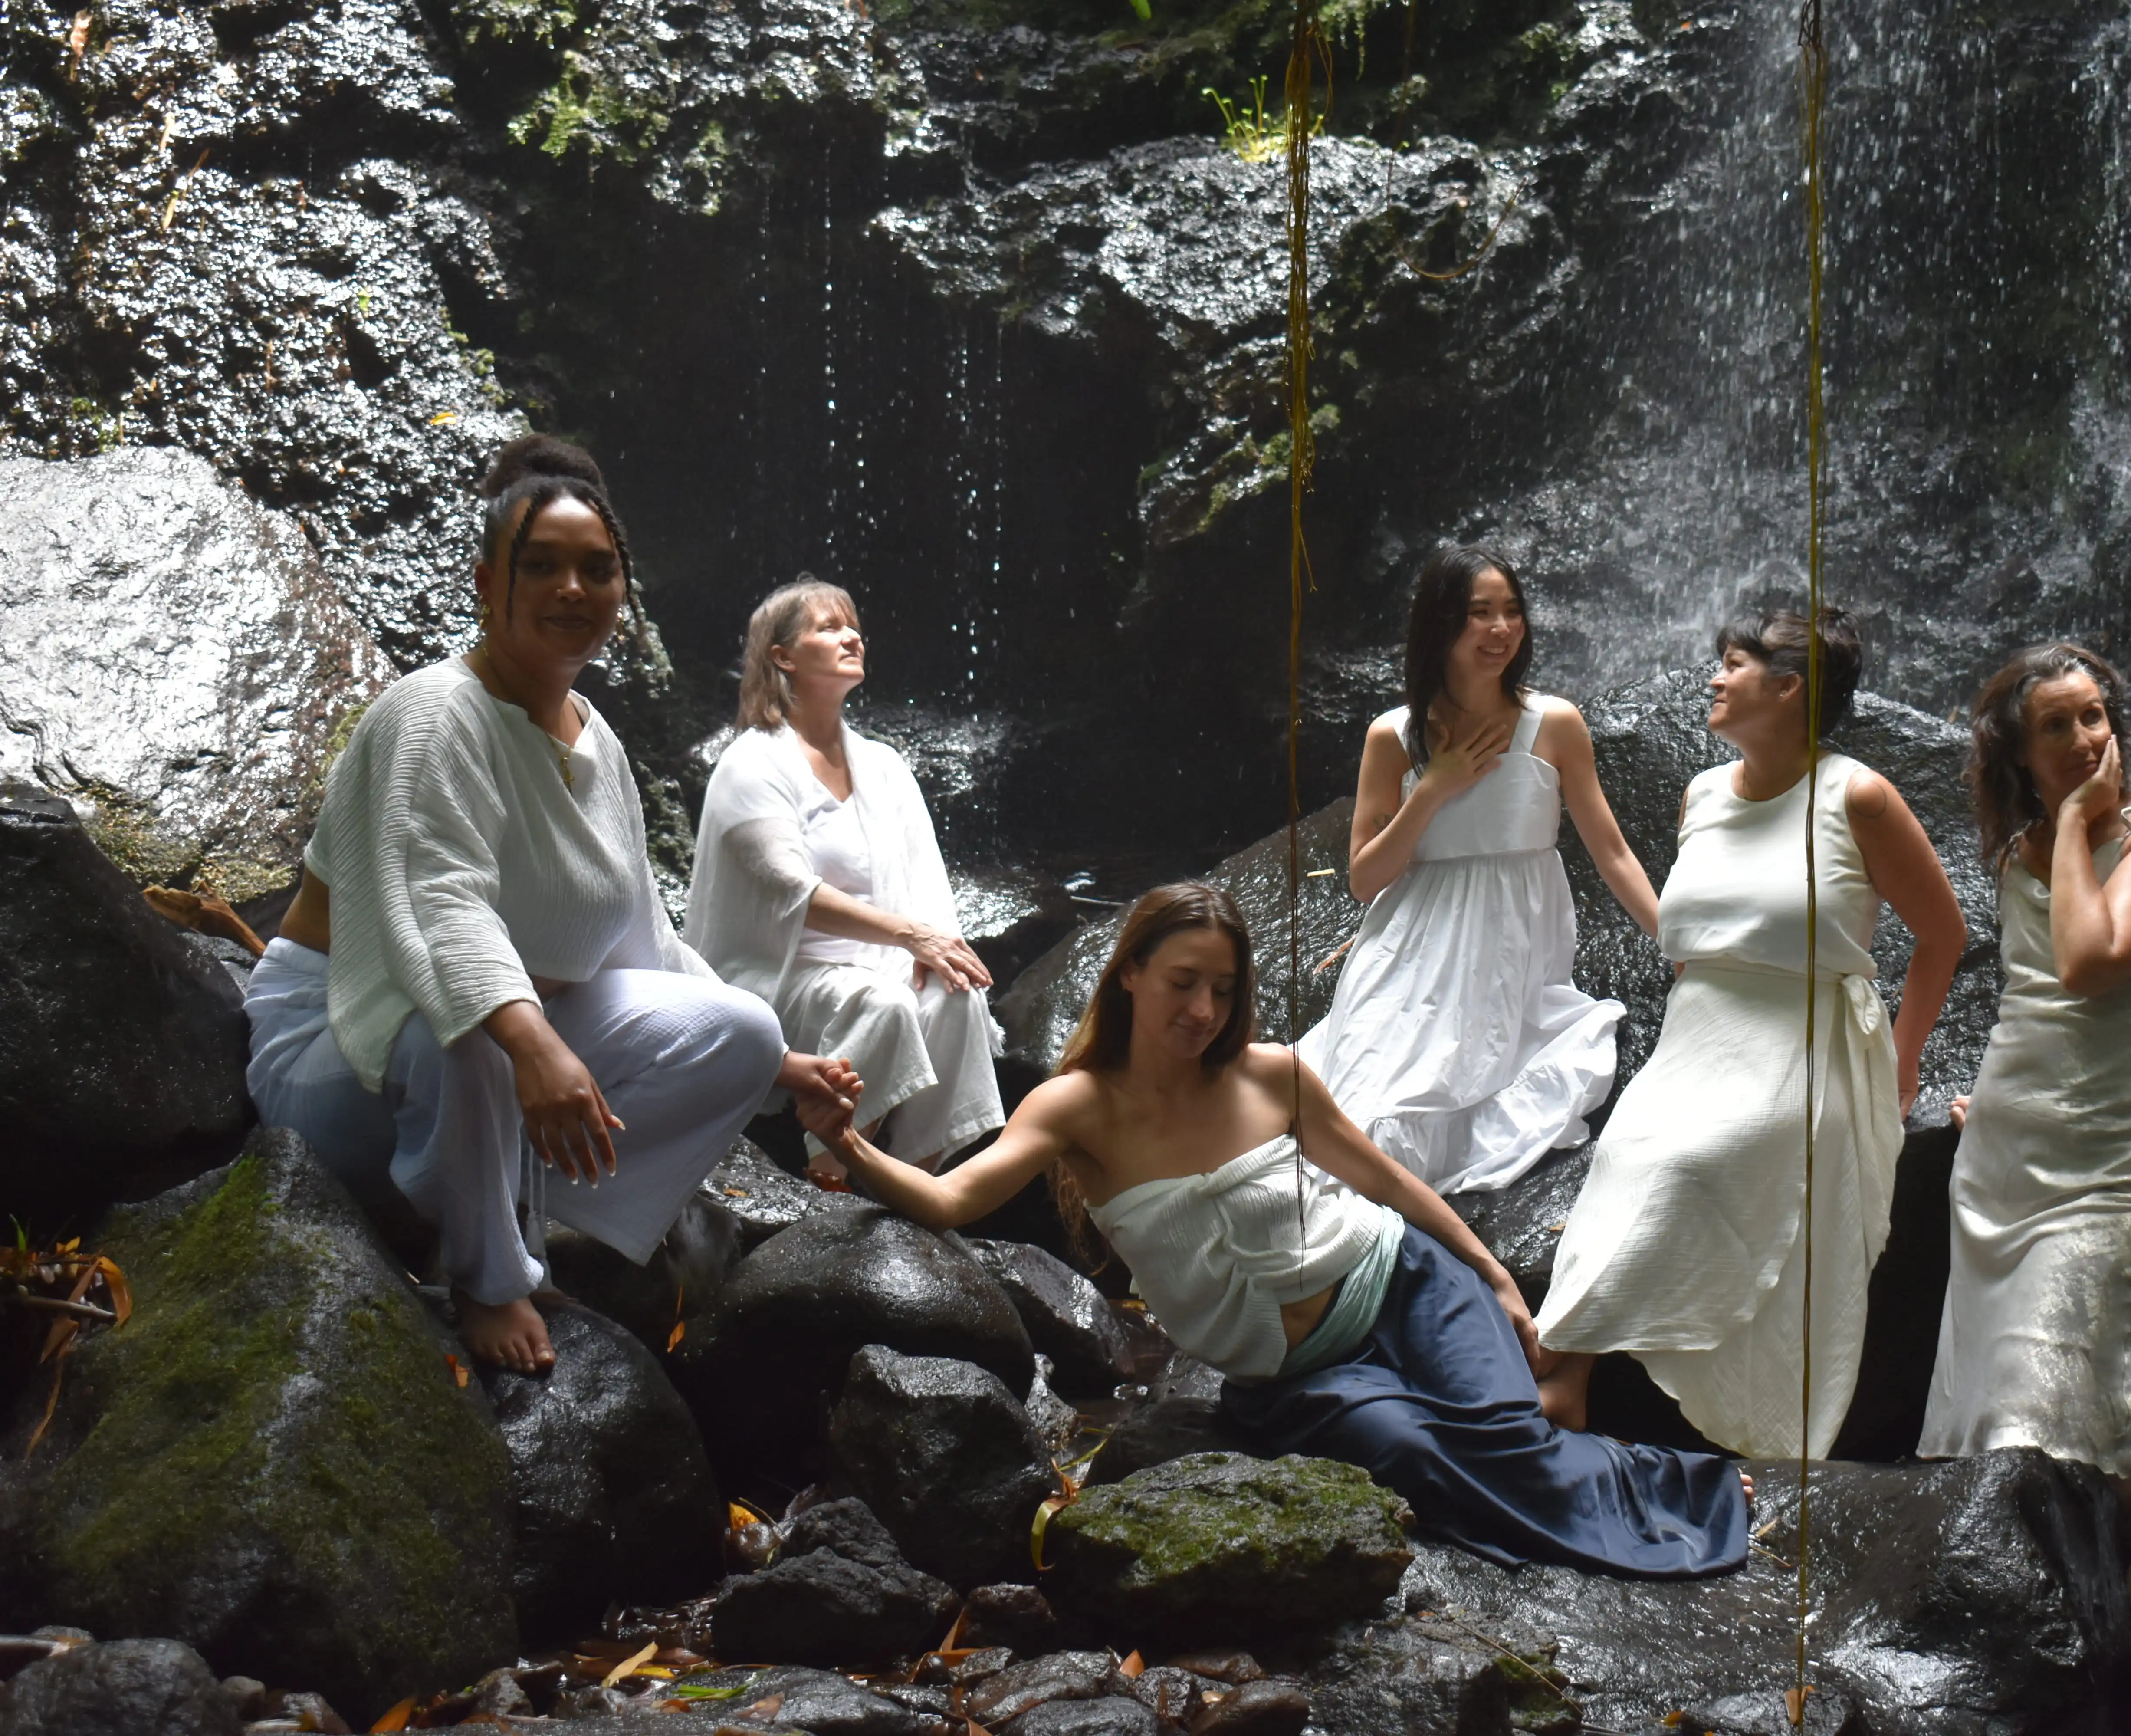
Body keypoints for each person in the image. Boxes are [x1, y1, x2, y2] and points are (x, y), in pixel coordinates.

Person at [825, 882, 1753, 1577]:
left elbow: (1387, 1181)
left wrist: (1493, 1272)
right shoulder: (1077, 1107)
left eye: (1223, 990)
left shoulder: (1272, 1076)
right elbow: (953, 1200)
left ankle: (1606, 1435)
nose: (1203, 1011)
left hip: (1401, 1280)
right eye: (1183, 982)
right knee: (1415, 1453)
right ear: (1131, 973)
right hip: (1301, 1373)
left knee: (1505, 1436)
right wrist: (850, 1144)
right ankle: (1624, 1448)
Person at [242, 436, 860, 1373]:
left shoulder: (596, 741)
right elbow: (440, 907)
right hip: (340, 1043)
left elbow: (642, 941)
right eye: (543, 567)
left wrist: (783, 1061)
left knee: (736, 1027)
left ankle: (512, 1195)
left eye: (596, 569)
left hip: (490, 1039)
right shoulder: (430, 714)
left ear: (623, 592)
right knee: (479, 1031)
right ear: (490, 583)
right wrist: (533, 1044)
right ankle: (485, 1276)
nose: (573, 588)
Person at [1534, 609, 1966, 1457]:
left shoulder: (1859, 796)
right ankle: (1569, 1380)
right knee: (1626, 1158)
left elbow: (1942, 936)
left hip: (1805, 1042)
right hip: (1699, 1038)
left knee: (1690, 1165)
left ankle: (1571, 1376)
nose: (1714, 678)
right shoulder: (1701, 793)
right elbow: (1696, 935)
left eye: (1732, 664)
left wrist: (1902, 1063)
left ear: (1788, 686)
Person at [1913, 642, 2131, 1665]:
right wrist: (1993, 1101)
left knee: (2043, 1411)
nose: (2089, 738)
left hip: (2122, 1159)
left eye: (2096, 716)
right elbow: (2031, 998)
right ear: (2018, 749)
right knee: (2059, 1422)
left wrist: (2086, 823)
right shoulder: (2016, 854)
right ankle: (2130, 1678)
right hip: (2011, 1155)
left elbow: (2090, 964)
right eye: (2060, 725)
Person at [1295, 546, 1651, 1195]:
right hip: (1407, 947)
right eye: (1479, 614)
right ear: (1440, 624)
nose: (1501, 630)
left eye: (1512, 612)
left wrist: (1675, 936)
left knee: (1432, 1111)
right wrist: (1432, 789)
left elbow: (1613, 852)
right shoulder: (1393, 736)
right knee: (1368, 1118)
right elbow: (1363, 880)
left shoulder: (1556, 724)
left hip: (1508, 947)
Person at [685, 578, 1004, 1177]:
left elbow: (925, 879)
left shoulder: (883, 765)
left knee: (957, 1000)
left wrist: (934, 949)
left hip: (876, 964)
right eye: (828, 628)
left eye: (853, 626)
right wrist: (908, 936)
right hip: (778, 975)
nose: (851, 636)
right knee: (883, 1006)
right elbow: (789, 891)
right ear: (782, 657)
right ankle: (830, 1177)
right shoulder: (751, 763)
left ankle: (920, 1187)